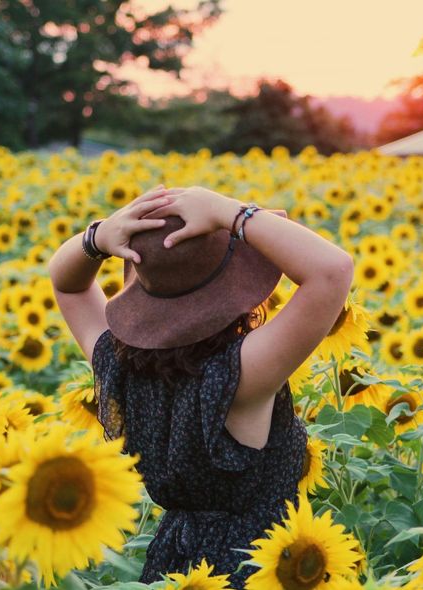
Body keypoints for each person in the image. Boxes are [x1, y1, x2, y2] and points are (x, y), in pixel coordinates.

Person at [48, 184, 355, 588]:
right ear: (234, 287)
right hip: (263, 568)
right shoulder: (239, 373)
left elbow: (67, 284)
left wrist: (97, 238)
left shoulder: (116, 362)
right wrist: (231, 213)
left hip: (173, 570)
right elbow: (332, 271)